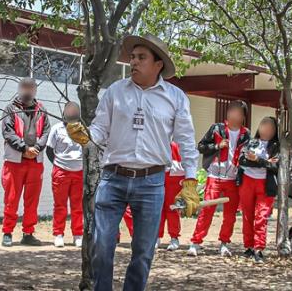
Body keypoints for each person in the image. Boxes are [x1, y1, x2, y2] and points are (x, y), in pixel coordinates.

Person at [66, 33, 199, 291]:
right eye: (133, 58)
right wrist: (84, 135)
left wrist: (191, 180)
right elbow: (99, 130)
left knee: (144, 251)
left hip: (152, 183)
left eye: (141, 58)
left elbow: (186, 141)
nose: (134, 63)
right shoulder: (116, 91)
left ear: (158, 64)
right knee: (102, 245)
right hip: (113, 179)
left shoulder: (176, 97)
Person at [188, 100, 250, 257]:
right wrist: (217, 146)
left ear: (243, 116)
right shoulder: (217, 128)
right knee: (207, 210)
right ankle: (195, 242)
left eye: (238, 112)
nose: (234, 114)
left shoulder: (246, 134)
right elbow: (201, 146)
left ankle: (224, 243)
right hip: (215, 176)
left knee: (230, 215)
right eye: (232, 110)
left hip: (233, 179)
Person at [0, 78, 50, 247]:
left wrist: (35, 148)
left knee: (32, 199)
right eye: (25, 87)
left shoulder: (41, 109)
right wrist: (24, 149)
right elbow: (8, 133)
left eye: (31, 87)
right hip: (15, 161)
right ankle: (7, 232)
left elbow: (46, 132)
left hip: (35, 161)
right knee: (11, 198)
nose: (28, 90)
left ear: (35, 90)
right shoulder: (10, 109)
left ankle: (28, 233)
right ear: (20, 89)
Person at [237, 116, 279, 263]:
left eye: (270, 127)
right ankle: (248, 246)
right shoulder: (251, 142)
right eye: (264, 125)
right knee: (247, 215)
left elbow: (275, 167)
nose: (266, 129)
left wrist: (257, 161)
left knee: (261, 217)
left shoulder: (277, 146)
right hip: (247, 182)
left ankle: (259, 248)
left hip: (266, 185)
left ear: (275, 131)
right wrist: (264, 162)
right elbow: (241, 160)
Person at [46, 101, 83, 248]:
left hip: (79, 172)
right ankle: (58, 234)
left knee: (77, 205)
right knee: (60, 205)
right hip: (61, 171)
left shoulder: (83, 128)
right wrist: (59, 163)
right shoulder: (57, 128)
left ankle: (78, 235)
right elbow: (49, 150)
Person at [157, 141, 184, 250]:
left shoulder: (178, 138)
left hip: (175, 174)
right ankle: (156, 237)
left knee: (172, 207)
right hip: (157, 172)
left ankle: (174, 237)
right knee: (158, 208)